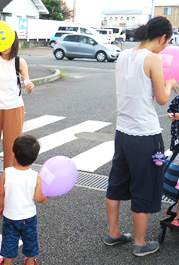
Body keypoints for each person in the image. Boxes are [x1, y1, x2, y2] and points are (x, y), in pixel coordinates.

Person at [104, 16, 178, 257]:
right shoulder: (152, 58)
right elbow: (162, 98)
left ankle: (113, 233)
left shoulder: (124, 54)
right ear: (162, 37)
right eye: (167, 41)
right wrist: (170, 82)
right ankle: (139, 242)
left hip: (123, 132)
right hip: (146, 136)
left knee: (116, 183)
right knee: (144, 186)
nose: (166, 46)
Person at [0, 32, 34, 176]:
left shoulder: (19, 62)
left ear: (14, 43)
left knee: (12, 146)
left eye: (8, 42)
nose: (4, 46)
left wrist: (29, 86)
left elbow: (27, 82)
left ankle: (10, 179)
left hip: (14, 107)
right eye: (1, 41)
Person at [0, 135, 47, 265]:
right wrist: (44, 199)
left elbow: (1, 193)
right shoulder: (35, 176)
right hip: (28, 218)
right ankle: (30, 261)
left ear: (13, 155)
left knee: (9, 241)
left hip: (10, 216)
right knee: (30, 240)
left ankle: (6, 262)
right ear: (34, 159)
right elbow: (38, 197)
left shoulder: (7, 172)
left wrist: (1, 207)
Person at [167, 96, 179, 226]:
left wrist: (176, 115)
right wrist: (171, 115)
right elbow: (170, 110)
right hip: (177, 140)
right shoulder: (177, 99)